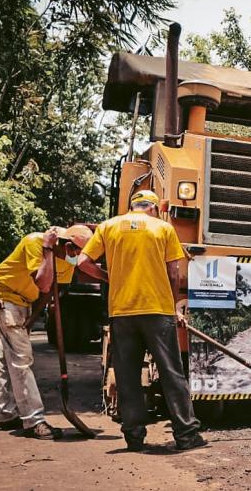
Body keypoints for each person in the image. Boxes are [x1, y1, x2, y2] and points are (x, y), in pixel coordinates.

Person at [77, 190, 204, 452]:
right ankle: (186, 435)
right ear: (154, 209)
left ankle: (134, 437)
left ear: (132, 207)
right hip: (157, 311)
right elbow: (173, 273)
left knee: (127, 376)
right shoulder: (163, 228)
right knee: (171, 374)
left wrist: (107, 277)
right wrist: (172, 308)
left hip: (122, 312)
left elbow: (82, 262)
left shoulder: (108, 226)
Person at [0, 224, 93, 440]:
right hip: (5, 297)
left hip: (25, 302)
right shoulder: (35, 242)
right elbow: (43, 283)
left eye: (80, 253)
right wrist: (47, 249)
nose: (75, 256)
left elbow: (50, 292)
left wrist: (33, 319)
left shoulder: (69, 260)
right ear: (64, 243)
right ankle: (34, 421)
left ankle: (4, 414)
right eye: (74, 251)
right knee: (21, 360)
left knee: (6, 360)